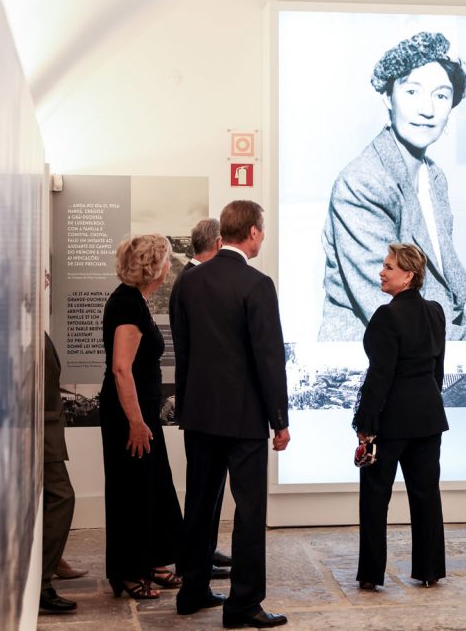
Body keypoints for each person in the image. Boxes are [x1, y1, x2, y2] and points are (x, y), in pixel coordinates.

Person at [319, 32, 466, 342]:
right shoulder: (363, 182)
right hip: (369, 356)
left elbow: (438, 297)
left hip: (418, 353)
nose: (427, 109)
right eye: (413, 92)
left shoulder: (434, 179)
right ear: (387, 98)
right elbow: (393, 307)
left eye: (441, 96)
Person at [173, 200, 290, 628]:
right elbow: (269, 359)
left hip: (200, 413)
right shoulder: (257, 284)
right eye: (263, 229)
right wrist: (280, 420)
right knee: (249, 511)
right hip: (244, 418)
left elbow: (183, 352)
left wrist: (187, 406)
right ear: (254, 232)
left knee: (199, 503)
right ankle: (242, 605)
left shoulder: (189, 281)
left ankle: (192, 591)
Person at [352, 243, 448, 591]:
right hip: (428, 418)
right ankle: (429, 570)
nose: (382, 272)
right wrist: (427, 402)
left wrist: (365, 425)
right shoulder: (436, 312)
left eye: (389, 267)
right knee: (426, 496)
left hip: (391, 421)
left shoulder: (386, 316)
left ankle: (371, 574)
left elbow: (379, 376)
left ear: (408, 276)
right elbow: (437, 371)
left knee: (375, 499)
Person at [99, 234, 183, 600]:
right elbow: (121, 369)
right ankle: (128, 571)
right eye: (165, 260)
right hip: (129, 416)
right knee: (131, 490)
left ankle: (152, 561)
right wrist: (135, 422)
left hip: (141, 412)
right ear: (153, 268)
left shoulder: (135, 301)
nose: (169, 266)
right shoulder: (127, 306)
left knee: (153, 485)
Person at [168, 217, 234, 578]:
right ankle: (195, 560)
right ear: (219, 243)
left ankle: (205, 550)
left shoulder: (191, 279)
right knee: (202, 487)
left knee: (210, 485)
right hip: (203, 401)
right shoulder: (193, 281)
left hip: (203, 399)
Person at [39, 332, 78, 615]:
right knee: (62, 497)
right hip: (38, 427)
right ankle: (41, 581)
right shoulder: (18, 325)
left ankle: (46, 571)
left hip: (45, 424)